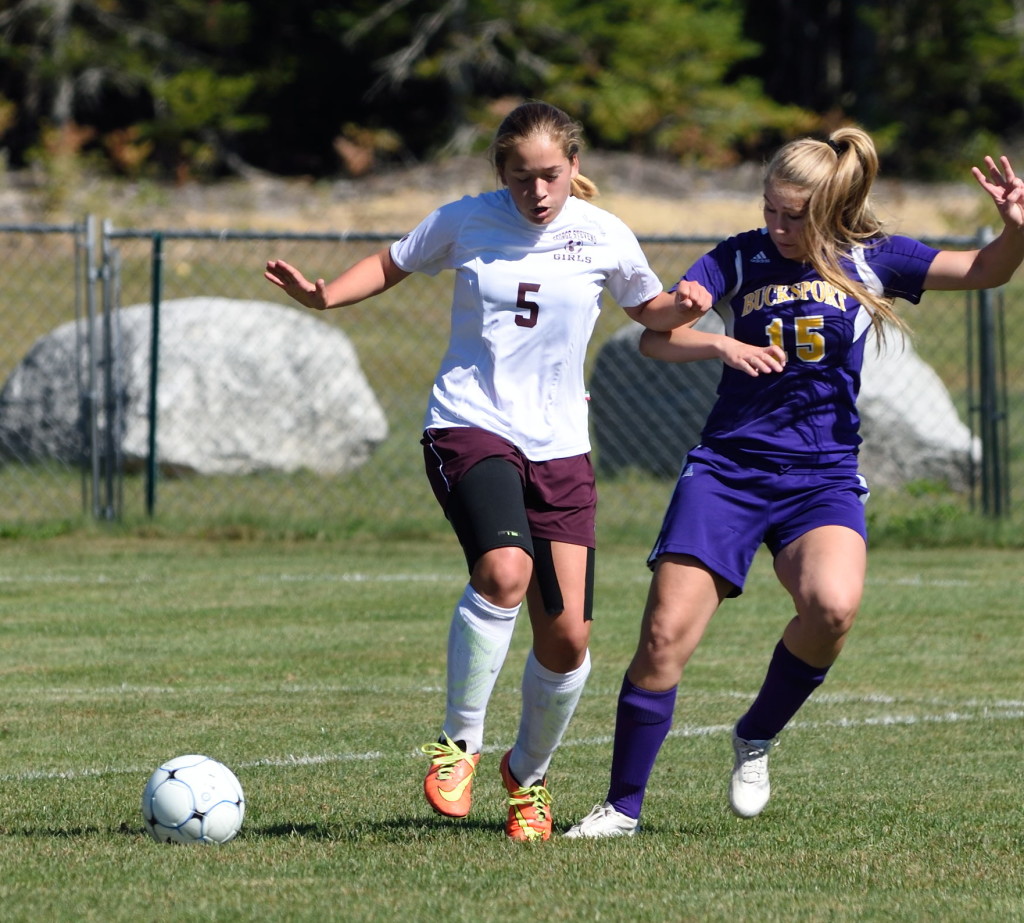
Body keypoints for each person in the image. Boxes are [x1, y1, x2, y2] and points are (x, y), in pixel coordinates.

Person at [263, 100, 711, 841]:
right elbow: (392, 261)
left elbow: (648, 307)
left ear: (574, 168)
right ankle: (459, 742)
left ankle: (526, 777)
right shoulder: (465, 220)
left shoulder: (603, 234)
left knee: (567, 641)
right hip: (470, 425)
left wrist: (684, 306)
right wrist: (325, 295)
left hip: (562, 446)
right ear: (499, 172)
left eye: (551, 176)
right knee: (504, 570)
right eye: (521, 176)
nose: (537, 192)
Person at [565, 127, 1024, 838]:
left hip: (823, 475)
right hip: (728, 468)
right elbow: (657, 336)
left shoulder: (874, 258)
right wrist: (715, 336)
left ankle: (755, 734)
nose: (777, 226)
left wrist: (1015, 228)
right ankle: (622, 806)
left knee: (833, 609)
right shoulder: (740, 255)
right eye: (771, 209)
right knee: (662, 637)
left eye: (794, 216)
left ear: (833, 207)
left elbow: (987, 271)